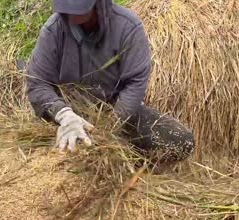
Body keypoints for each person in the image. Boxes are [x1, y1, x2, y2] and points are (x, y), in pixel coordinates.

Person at [26, 0, 194, 166]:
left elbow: (135, 82)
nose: (73, 15)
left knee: (181, 142)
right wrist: (64, 115)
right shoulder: (54, 29)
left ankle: (138, 165)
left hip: (114, 111)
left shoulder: (127, 27)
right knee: (66, 158)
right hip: (68, 112)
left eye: (80, 9)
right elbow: (37, 83)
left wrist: (112, 127)